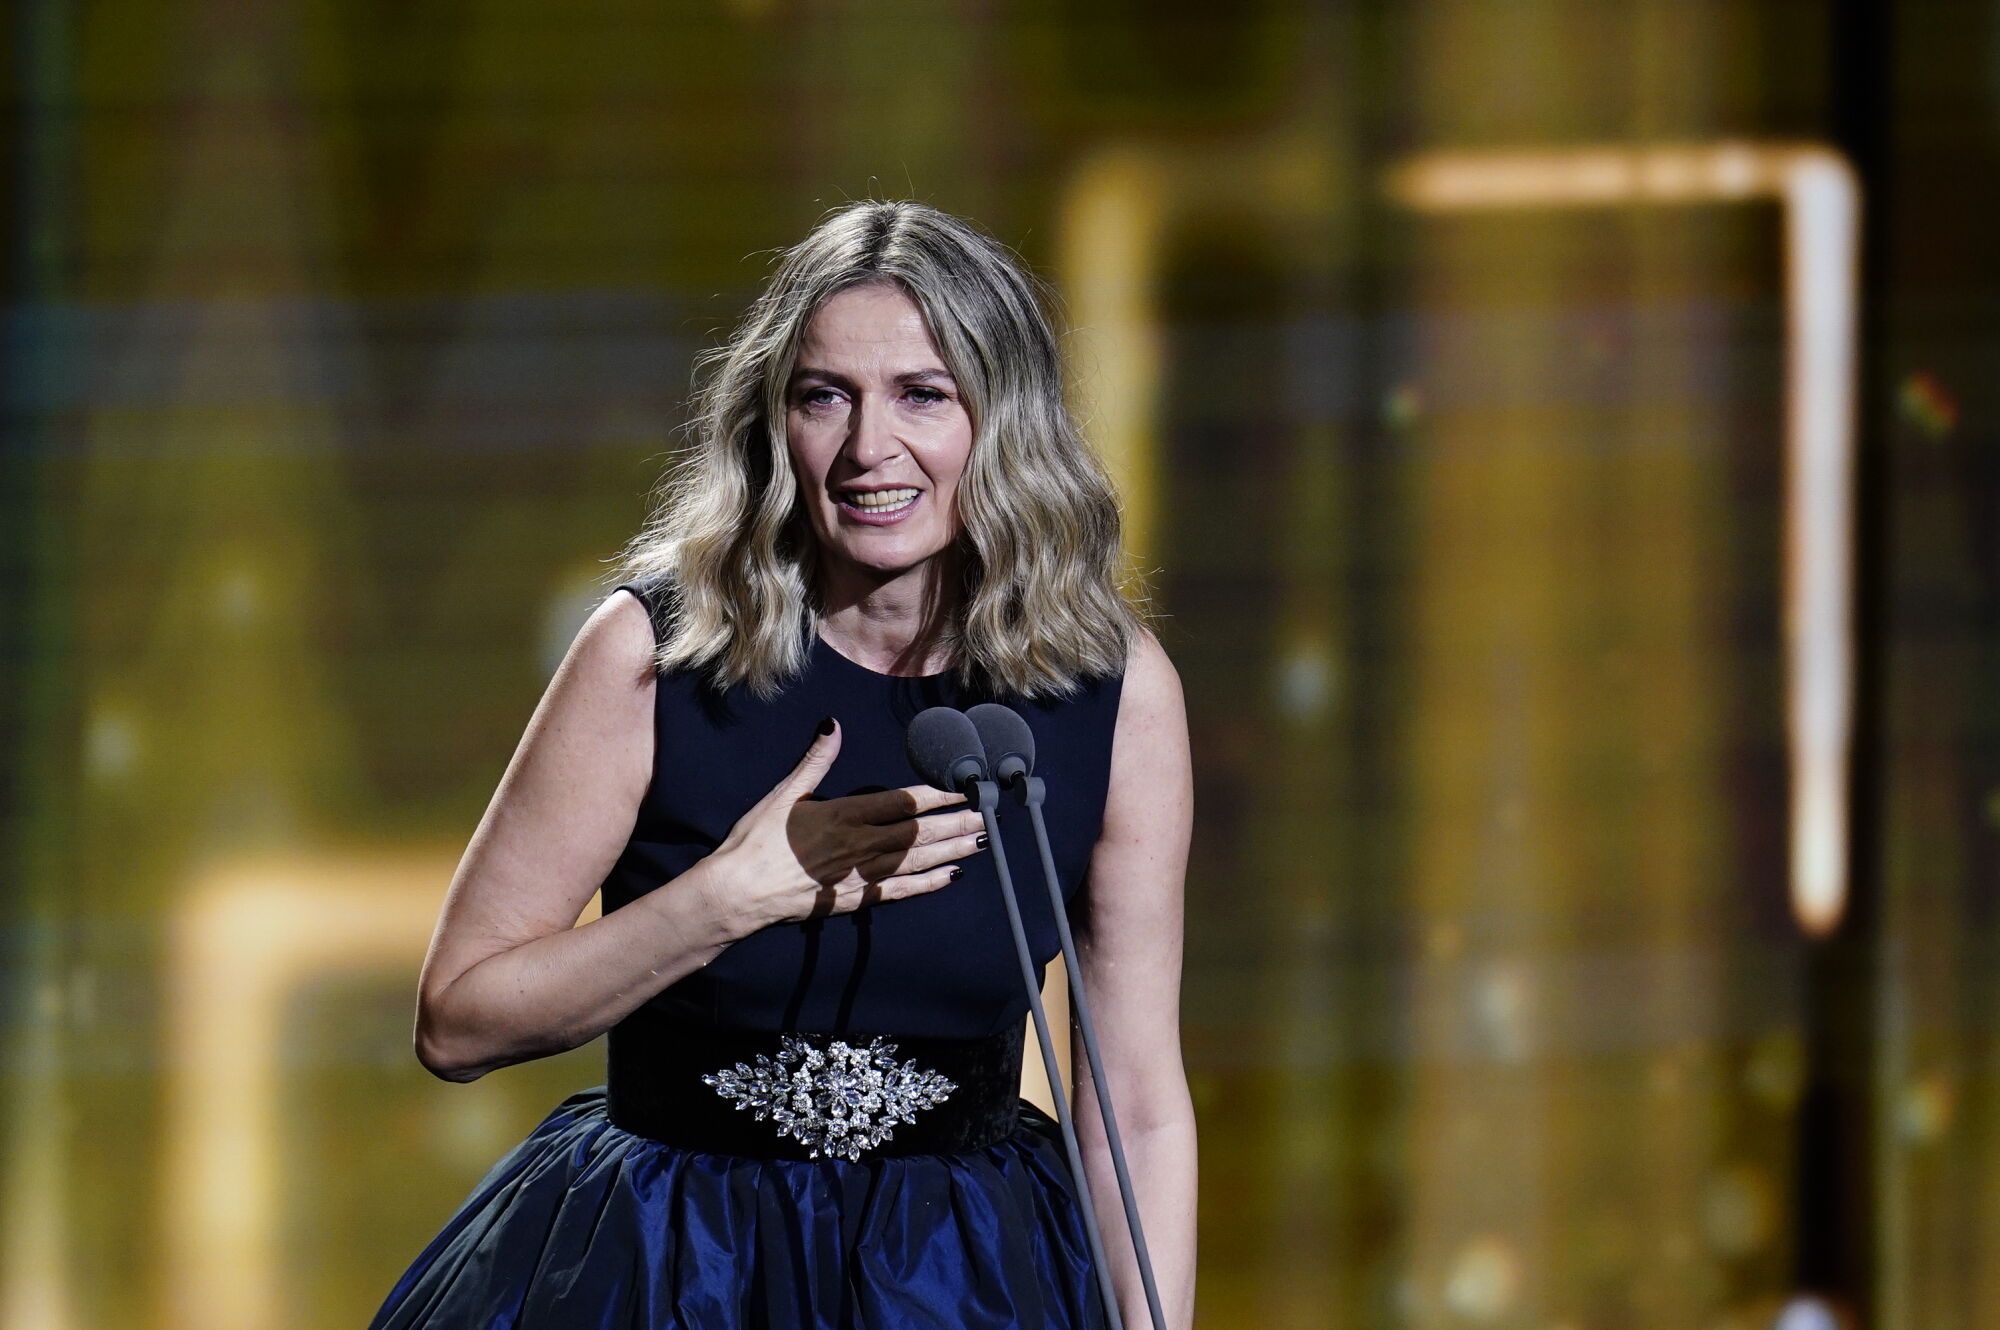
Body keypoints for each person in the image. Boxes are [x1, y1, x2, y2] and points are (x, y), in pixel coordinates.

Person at [366, 199, 1197, 1329]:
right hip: (666, 1263)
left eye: (922, 393)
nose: (868, 448)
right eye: (825, 397)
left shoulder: (1112, 692)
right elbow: (457, 1022)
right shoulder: (650, 656)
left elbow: (1136, 1100)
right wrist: (722, 900)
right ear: (774, 421)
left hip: (965, 1277)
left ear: (1001, 419)